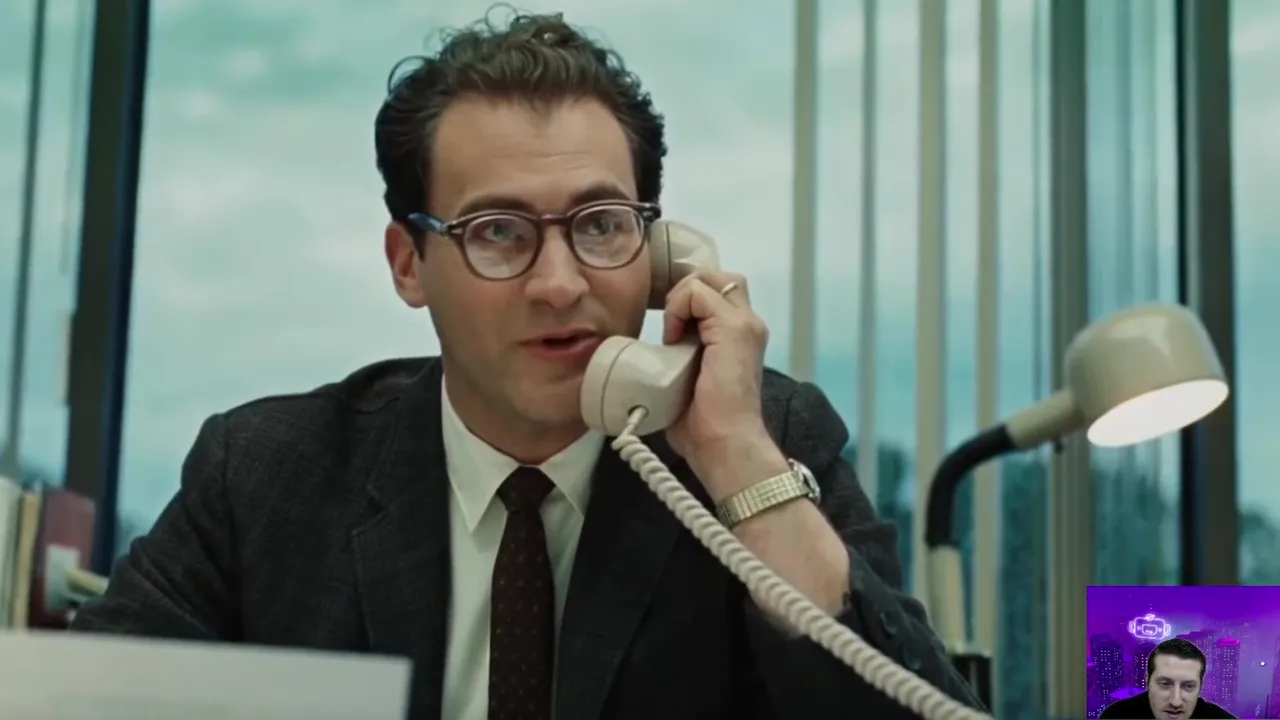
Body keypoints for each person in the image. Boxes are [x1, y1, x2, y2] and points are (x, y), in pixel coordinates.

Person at [70, 9, 984, 720]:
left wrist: (738, 464)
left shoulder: (765, 442)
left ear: (661, 254)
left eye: (601, 226)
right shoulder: (264, 476)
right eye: (498, 232)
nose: (559, 284)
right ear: (407, 263)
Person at [1100, 638, 1235, 719]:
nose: (1176, 702)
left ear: (1201, 686)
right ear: (1147, 681)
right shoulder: (1116, 716)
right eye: (1165, 684)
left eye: (1188, 686)